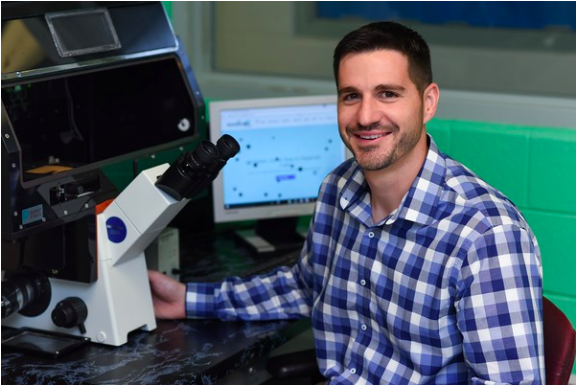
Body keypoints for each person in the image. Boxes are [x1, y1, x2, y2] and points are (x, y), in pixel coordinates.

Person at [148, 21, 544, 384]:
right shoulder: (338, 189)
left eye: (388, 94)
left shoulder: (487, 236)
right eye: (351, 96)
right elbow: (305, 288)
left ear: (428, 102)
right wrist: (188, 299)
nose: (366, 116)